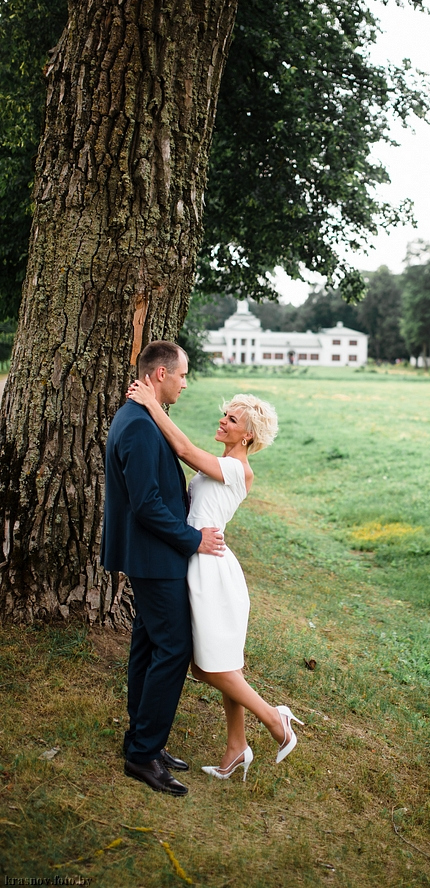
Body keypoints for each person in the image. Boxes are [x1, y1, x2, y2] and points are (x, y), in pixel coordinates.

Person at [126, 377, 303, 780]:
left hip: (211, 570)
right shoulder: (226, 463)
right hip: (200, 559)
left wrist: (153, 404)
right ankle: (237, 746)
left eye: (232, 419)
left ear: (249, 435)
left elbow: (185, 450)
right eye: (224, 414)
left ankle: (275, 719)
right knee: (224, 662)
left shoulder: (239, 469)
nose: (222, 421)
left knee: (207, 667)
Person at [102, 341, 225, 796]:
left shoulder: (143, 415)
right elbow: (146, 505)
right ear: (159, 375)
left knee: (149, 645)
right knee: (174, 648)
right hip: (154, 557)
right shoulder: (136, 424)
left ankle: (143, 742)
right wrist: (193, 539)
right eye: (182, 374)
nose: (185, 382)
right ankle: (142, 754)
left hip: (152, 554)